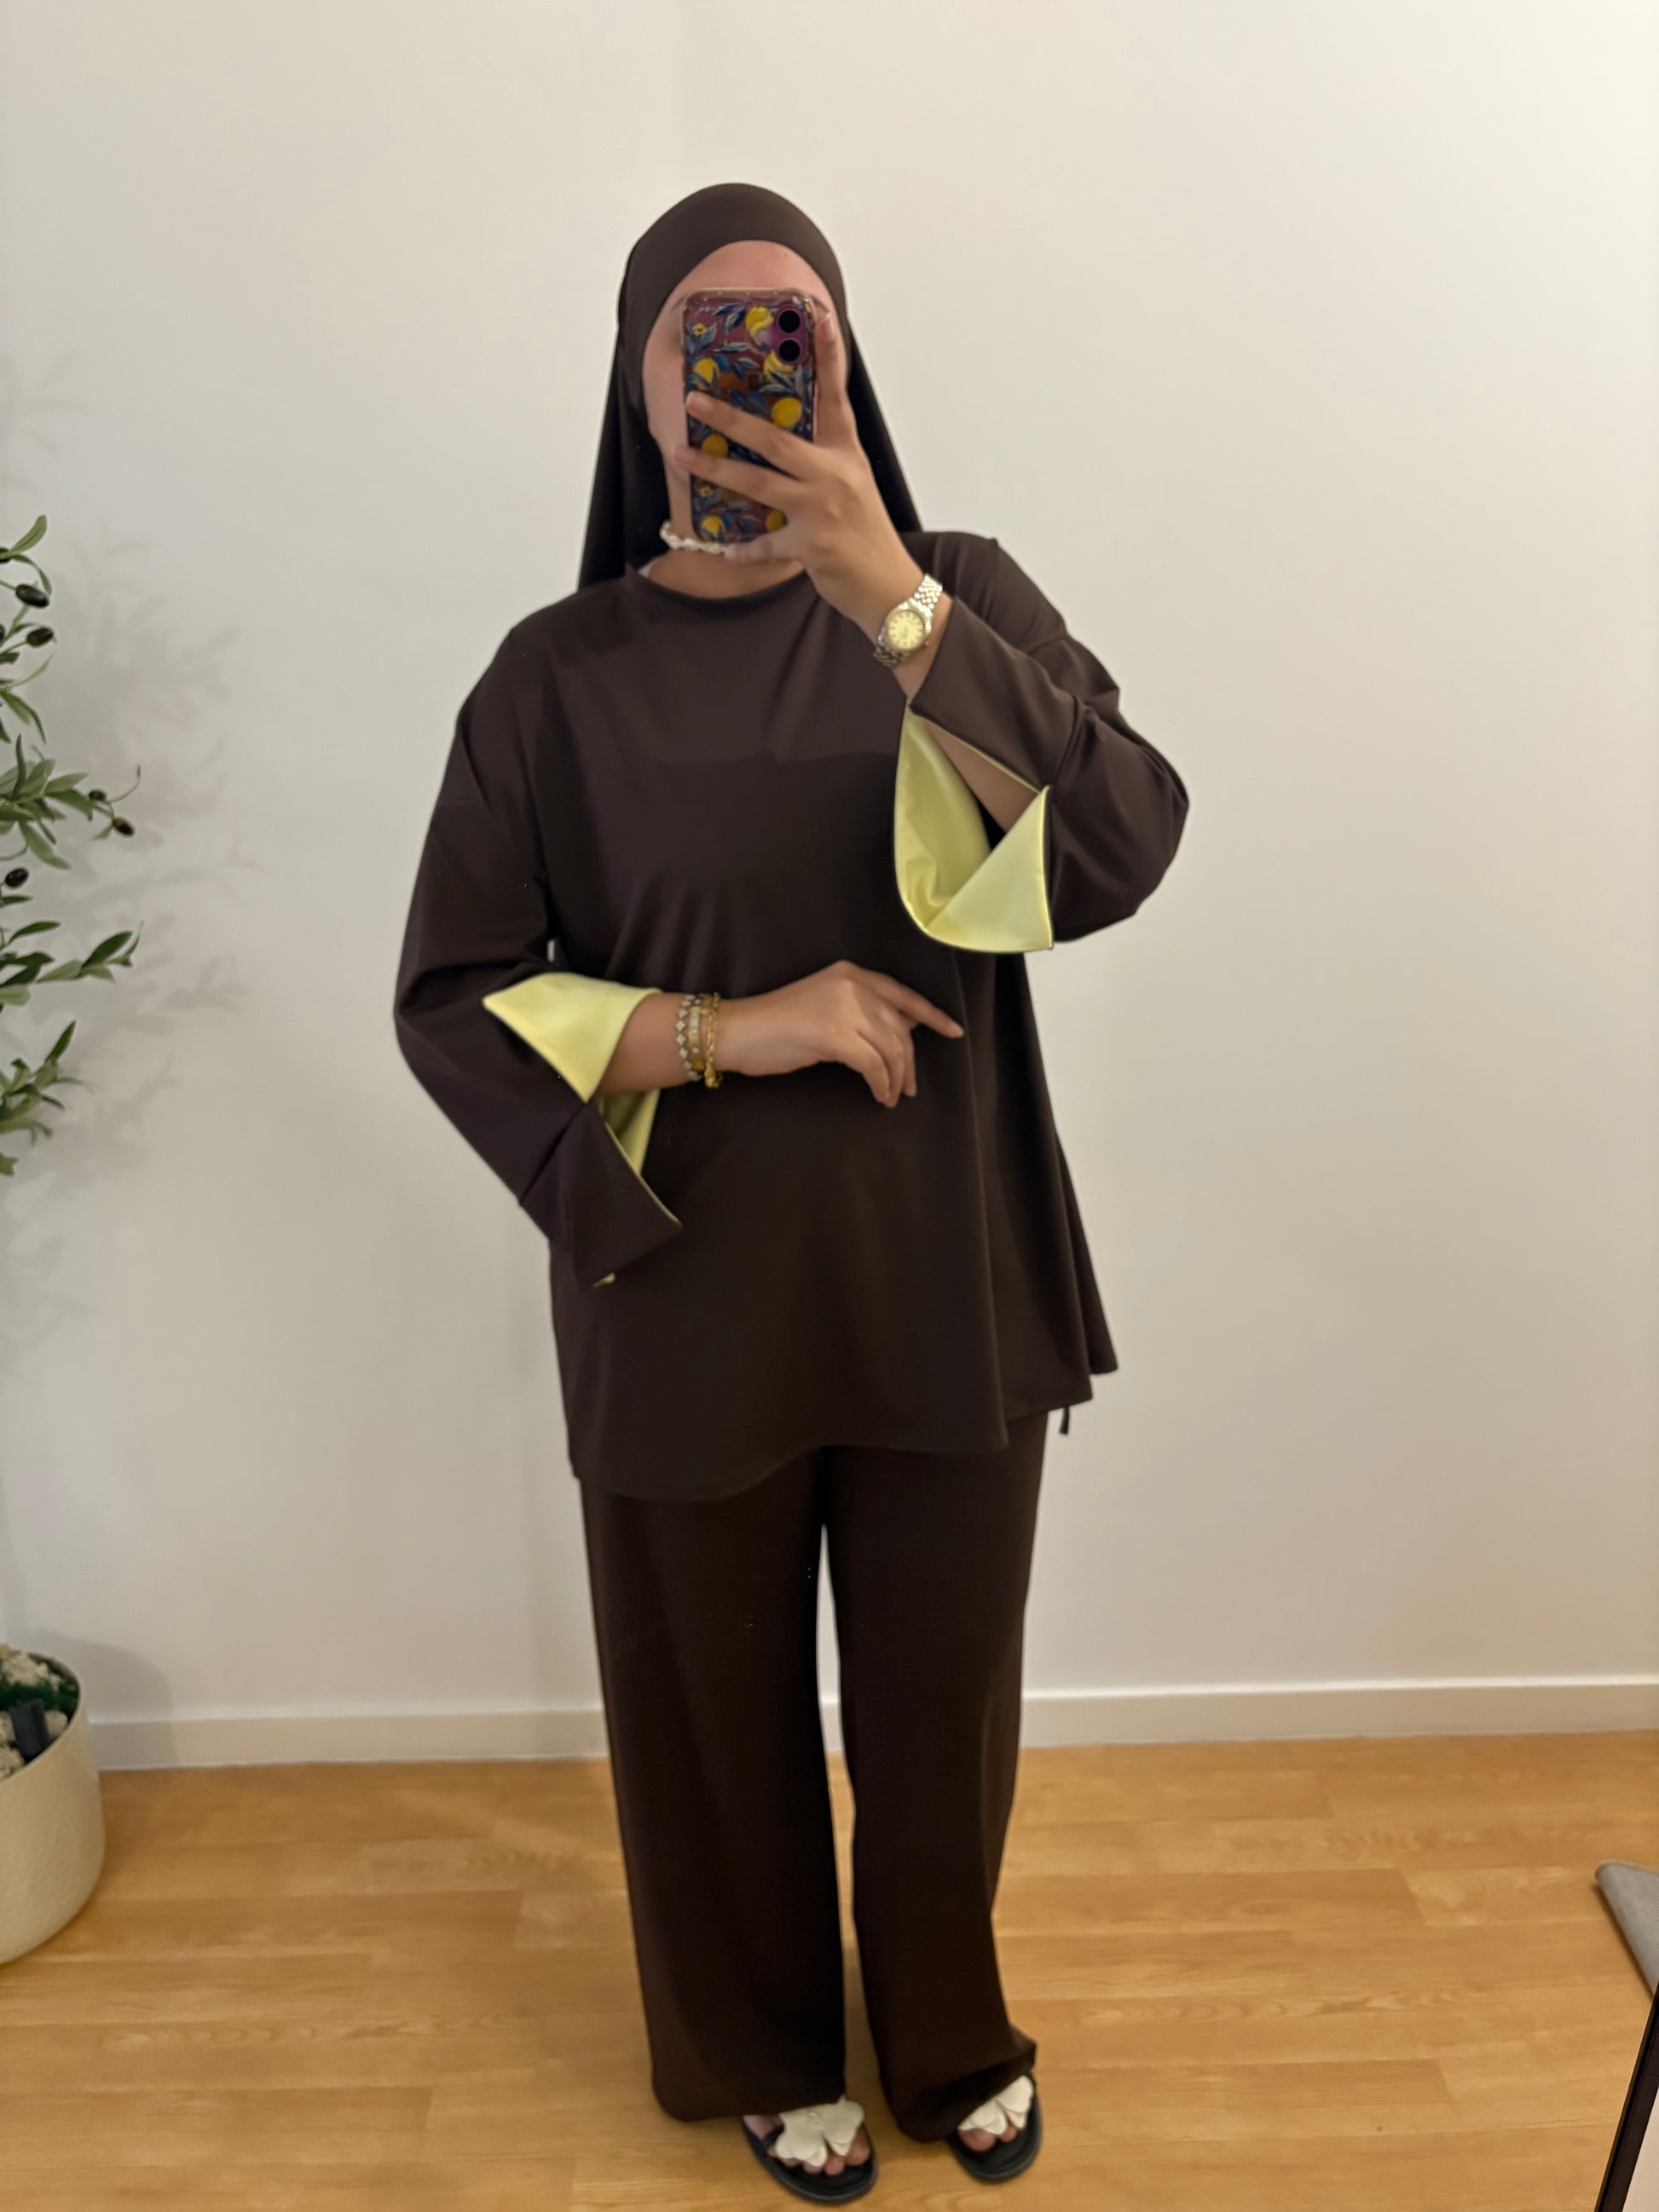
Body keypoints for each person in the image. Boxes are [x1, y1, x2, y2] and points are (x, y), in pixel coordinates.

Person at [394, 181, 1189, 2199]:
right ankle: (757, 2040)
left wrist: (891, 599)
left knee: (942, 1695)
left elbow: (1120, 839)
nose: (753, 361)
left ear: (844, 361)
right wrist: (734, 1028)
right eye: (707, 329)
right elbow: (452, 996)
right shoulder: (554, 675)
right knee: (707, 1707)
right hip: (684, 1279)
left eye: (794, 326)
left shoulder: (958, 591)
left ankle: (946, 2027)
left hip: (942, 1263)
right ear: (640, 381)